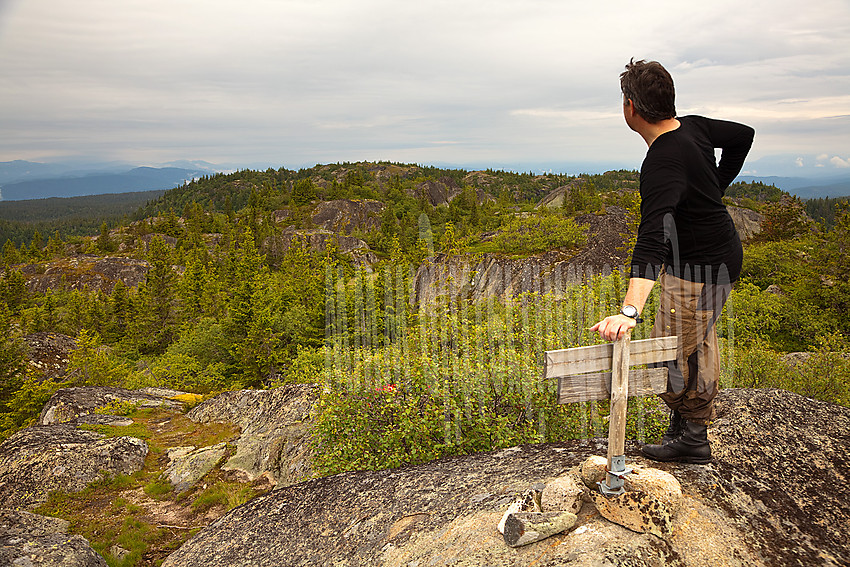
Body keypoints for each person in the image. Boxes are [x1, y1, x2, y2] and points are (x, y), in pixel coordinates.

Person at [590, 59, 754, 463]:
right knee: (696, 341)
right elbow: (742, 136)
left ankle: (692, 436)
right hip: (722, 258)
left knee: (669, 353)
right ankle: (690, 427)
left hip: (696, 271)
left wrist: (630, 310)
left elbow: (652, 240)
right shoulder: (694, 127)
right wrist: (715, 184)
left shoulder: (662, 162)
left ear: (631, 107)